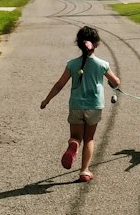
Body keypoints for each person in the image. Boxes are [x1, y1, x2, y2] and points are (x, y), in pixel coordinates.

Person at [40, 25, 121, 182]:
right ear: (96, 44)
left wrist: (47, 100)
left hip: (76, 105)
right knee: (89, 138)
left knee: (76, 136)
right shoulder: (102, 64)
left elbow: (59, 84)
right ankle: (84, 171)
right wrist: (113, 84)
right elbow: (116, 82)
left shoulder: (72, 64)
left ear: (79, 44)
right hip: (94, 107)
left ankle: (74, 144)